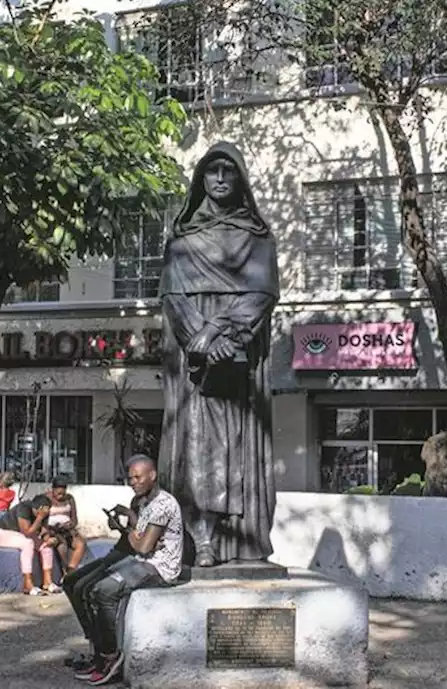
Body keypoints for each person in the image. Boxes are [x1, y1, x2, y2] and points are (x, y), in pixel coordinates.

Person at [158, 141, 281, 568]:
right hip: (196, 360)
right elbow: (172, 297)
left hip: (240, 354)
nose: (222, 179)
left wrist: (221, 332)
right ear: (201, 180)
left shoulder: (257, 238)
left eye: (229, 172)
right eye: (213, 172)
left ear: (241, 179)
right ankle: (200, 539)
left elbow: (262, 293)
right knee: (198, 446)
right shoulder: (182, 239)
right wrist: (200, 338)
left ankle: (244, 541)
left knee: (241, 447)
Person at [72, 455, 183, 686]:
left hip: (160, 568)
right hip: (143, 561)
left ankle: (111, 656)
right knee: (88, 587)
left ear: (152, 476)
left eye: (138, 477)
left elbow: (143, 546)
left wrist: (125, 531)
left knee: (104, 590)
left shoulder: (164, 503)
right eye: (130, 477)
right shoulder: (144, 502)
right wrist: (131, 524)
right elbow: (141, 538)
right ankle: (100, 653)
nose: (132, 482)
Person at [0, 494, 61, 596]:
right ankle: (28, 584)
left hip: (18, 535)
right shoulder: (24, 509)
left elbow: (44, 532)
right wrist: (39, 518)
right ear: (36, 509)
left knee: (46, 546)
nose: (46, 513)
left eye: (47, 511)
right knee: (28, 544)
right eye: (41, 512)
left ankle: (48, 582)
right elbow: (27, 532)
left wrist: (49, 540)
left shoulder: (44, 512)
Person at [45, 477, 88, 573]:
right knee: (62, 546)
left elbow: (74, 519)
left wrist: (70, 525)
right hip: (52, 530)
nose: (61, 496)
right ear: (53, 489)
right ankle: (64, 570)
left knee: (80, 544)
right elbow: (41, 518)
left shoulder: (70, 499)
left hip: (67, 530)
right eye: (58, 493)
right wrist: (51, 529)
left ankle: (71, 568)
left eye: (63, 493)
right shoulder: (46, 499)